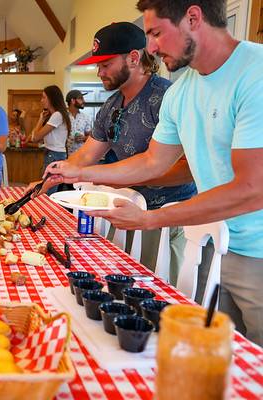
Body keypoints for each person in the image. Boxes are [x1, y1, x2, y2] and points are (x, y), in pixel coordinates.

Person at [47, 0, 263, 345]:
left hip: (257, 251)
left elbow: (252, 188)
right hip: (211, 244)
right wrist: (80, 174)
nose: (151, 47)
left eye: (157, 33)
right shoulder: (182, 91)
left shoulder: (255, 73)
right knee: (211, 354)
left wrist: (151, 218)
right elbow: (151, 162)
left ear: (193, 17)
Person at [31, 22, 197, 273]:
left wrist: (123, 178)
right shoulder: (111, 105)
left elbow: (188, 169)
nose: (99, 72)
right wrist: (51, 176)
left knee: (157, 287)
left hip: (166, 217)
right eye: (98, 65)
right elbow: (86, 154)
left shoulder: (167, 97)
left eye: (106, 64)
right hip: (125, 210)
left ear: (133, 58)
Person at [28, 85, 72, 194]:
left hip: (54, 155)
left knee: (47, 191)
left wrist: (40, 119)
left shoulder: (57, 115)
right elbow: (34, 137)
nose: (41, 100)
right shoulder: (57, 115)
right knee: (48, 189)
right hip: (54, 154)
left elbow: (35, 137)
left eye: (44, 97)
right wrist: (42, 119)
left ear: (51, 98)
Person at [65, 90, 93, 156]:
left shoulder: (85, 117)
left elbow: (91, 136)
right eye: (80, 99)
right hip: (64, 156)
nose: (84, 101)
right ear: (73, 101)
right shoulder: (62, 116)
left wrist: (84, 138)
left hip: (81, 156)